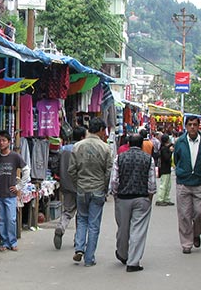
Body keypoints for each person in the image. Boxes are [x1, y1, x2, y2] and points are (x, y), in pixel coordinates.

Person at [69, 117, 112, 267]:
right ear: (100, 130)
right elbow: (108, 172)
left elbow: (71, 170)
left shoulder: (78, 146)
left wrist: (77, 184)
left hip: (81, 188)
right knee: (94, 224)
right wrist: (105, 189)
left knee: (81, 219)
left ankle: (79, 248)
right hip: (98, 189)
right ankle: (89, 258)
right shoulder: (105, 148)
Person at [110, 134, 156, 272]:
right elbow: (151, 182)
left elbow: (114, 180)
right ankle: (133, 262)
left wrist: (115, 194)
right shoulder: (148, 159)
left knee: (123, 228)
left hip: (123, 198)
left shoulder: (120, 158)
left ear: (128, 143)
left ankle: (123, 254)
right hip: (141, 197)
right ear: (142, 144)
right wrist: (150, 197)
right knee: (138, 229)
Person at [173, 116, 201, 254]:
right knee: (184, 215)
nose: (192, 127)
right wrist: (182, 172)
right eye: (189, 124)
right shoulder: (180, 142)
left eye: (195, 124)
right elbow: (176, 158)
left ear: (199, 126)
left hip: (200, 183)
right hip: (184, 183)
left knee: (200, 213)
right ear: (186, 126)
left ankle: (196, 233)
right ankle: (186, 243)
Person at [0, 131, 30, 251]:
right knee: (0, 220)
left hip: (10, 194)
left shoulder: (15, 156)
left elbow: (26, 170)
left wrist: (19, 187)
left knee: (11, 219)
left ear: (9, 142)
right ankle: (5, 242)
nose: (1, 143)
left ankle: (13, 241)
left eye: (3, 140)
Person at [54, 126, 87, 250]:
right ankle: (78, 240)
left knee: (68, 211)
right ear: (83, 137)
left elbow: (56, 165)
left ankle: (61, 226)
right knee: (82, 214)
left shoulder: (63, 149)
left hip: (66, 184)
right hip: (81, 184)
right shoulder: (83, 149)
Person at [155, 134, 175, 206]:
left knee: (168, 185)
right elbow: (167, 158)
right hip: (164, 169)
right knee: (164, 185)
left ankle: (166, 198)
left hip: (166, 169)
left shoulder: (164, 148)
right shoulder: (164, 149)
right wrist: (170, 151)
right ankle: (161, 199)